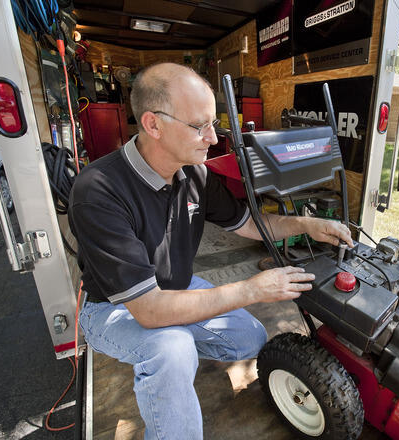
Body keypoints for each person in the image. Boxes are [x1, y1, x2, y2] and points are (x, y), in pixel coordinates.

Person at [69, 62, 353, 440]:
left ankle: (178, 338)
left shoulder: (194, 173)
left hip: (175, 289)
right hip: (114, 308)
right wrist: (252, 289)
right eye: (199, 126)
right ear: (154, 125)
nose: (214, 138)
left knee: (249, 339)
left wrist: (306, 224)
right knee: (172, 348)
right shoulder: (98, 191)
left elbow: (251, 224)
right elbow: (150, 310)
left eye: (214, 124)